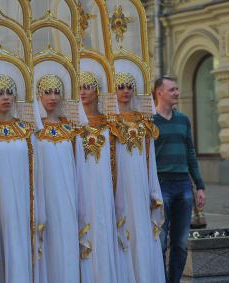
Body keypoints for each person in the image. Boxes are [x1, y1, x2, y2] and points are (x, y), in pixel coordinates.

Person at [76, 71, 134, 283]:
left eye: (87, 87)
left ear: (97, 90)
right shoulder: (72, 126)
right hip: (80, 190)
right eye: (79, 87)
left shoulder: (109, 125)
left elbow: (117, 163)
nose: (82, 92)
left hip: (103, 189)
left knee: (102, 229)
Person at [0, 74, 44, 283]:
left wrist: (37, 208)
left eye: (9, 92)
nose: (5, 97)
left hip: (22, 205)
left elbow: (35, 172)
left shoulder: (26, 131)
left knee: (20, 249)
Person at [153, 76, 206, 283]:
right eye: (172, 89)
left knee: (181, 243)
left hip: (183, 185)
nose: (176, 92)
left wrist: (199, 186)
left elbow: (191, 153)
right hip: (160, 185)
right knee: (160, 241)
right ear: (159, 93)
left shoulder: (183, 120)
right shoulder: (149, 121)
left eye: (177, 89)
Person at [114, 72, 166, 283]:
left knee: (141, 232)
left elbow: (150, 159)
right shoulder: (108, 123)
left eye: (129, 86)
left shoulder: (144, 122)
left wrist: (153, 189)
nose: (125, 91)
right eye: (120, 86)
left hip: (140, 187)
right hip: (120, 188)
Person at [34, 74, 79, 282]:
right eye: (47, 92)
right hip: (45, 197)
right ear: (38, 95)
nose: (53, 97)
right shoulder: (33, 130)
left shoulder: (70, 129)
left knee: (66, 243)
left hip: (67, 198)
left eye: (56, 92)